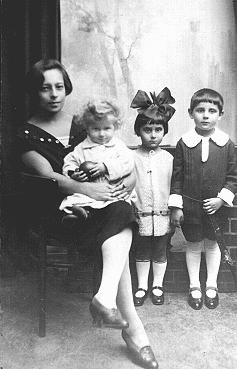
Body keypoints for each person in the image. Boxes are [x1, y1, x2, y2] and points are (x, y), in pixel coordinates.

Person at [17, 59, 158, 369]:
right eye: (44, 88)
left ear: (66, 87)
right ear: (33, 92)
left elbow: (124, 163)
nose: (54, 94)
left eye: (58, 86)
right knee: (120, 222)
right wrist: (92, 191)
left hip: (107, 204)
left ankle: (107, 301)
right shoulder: (25, 134)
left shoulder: (84, 122)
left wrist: (125, 185)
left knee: (120, 212)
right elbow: (53, 179)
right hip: (65, 212)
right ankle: (133, 329)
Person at [169, 88, 237, 310]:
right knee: (194, 243)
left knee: (213, 244)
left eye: (211, 110)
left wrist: (221, 200)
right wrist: (176, 207)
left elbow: (233, 177)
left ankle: (211, 285)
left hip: (216, 207)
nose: (206, 115)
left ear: (220, 114)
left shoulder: (226, 144)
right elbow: (177, 178)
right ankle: (194, 286)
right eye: (200, 110)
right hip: (190, 206)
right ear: (190, 113)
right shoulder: (184, 143)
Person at [130, 88, 175, 307]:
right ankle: (141, 286)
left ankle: (157, 284)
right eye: (148, 129)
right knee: (142, 249)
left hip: (163, 213)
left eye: (158, 129)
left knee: (160, 249)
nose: (153, 134)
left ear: (164, 132)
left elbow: (174, 186)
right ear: (138, 131)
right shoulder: (131, 157)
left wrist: (175, 208)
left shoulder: (168, 158)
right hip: (140, 213)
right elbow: (127, 184)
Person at [59, 99, 136, 218]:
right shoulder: (82, 148)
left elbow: (128, 163)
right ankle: (80, 213)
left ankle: (90, 215)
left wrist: (106, 167)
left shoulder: (118, 147)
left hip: (111, 189)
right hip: (90, 190)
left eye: (107, 128)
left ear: (115, 126)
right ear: (87, 128)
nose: (101, 134)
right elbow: (70, 162)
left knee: (118, 204)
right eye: (96, 129)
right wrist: (73, 173)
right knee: (76, 199)